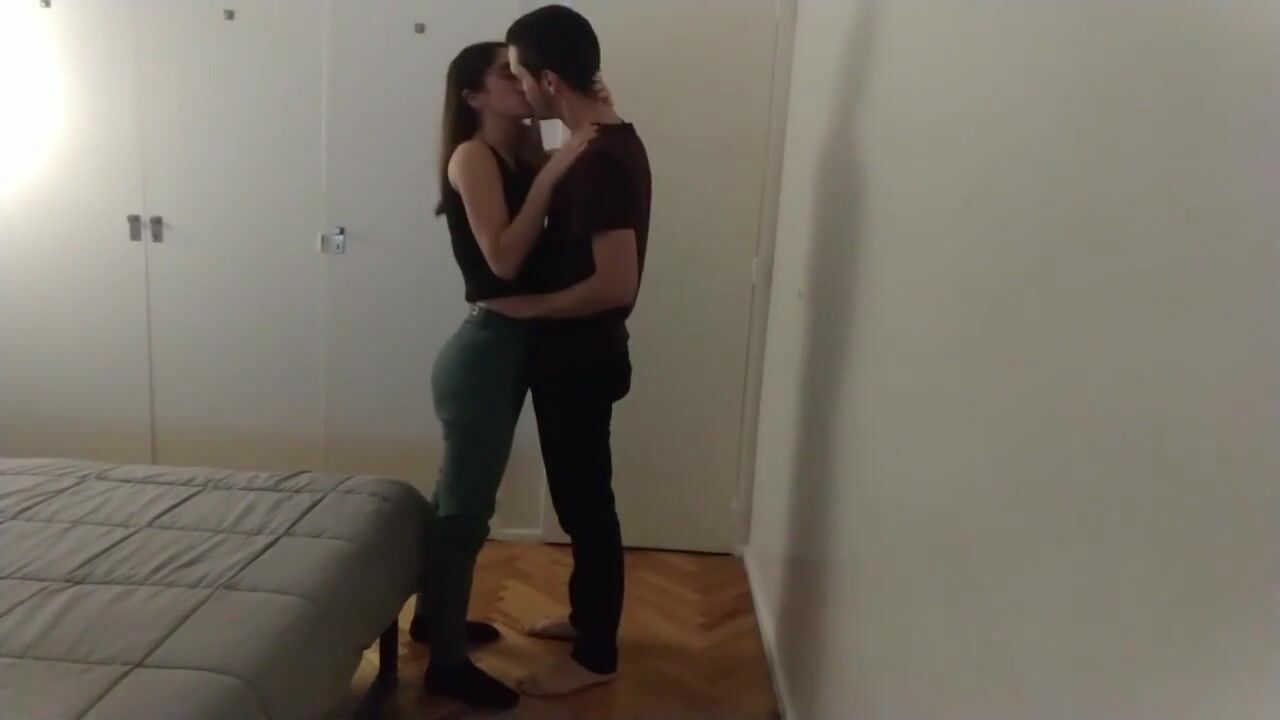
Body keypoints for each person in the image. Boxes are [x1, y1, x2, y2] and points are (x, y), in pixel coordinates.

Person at [413, 40, 594, 711]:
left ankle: (433, 620)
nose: (520, 83)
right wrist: (552, 172)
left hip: (513, 346)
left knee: (455, 499)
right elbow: (504, 259)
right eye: (504, 75)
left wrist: (559, 141)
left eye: (521, 73)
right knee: (465, 511)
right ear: (473, 96)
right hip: (485, 351)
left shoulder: (521, 152)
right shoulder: (473, 156)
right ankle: (446, 666)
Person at [483, 5, 653, 697]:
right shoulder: (599, 143)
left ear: (549, 80)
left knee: (587, 508)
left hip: (583, 360)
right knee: (580, 501)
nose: (518, 89)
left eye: (520, 75)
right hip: (577, 358)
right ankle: (587, 621)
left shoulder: (600, 161)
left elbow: (616, 284)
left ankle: (596, 657)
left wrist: (529, 307)